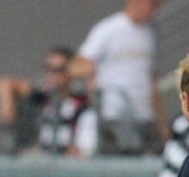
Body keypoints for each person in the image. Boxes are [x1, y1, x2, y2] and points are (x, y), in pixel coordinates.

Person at [71, 0, 169, 154]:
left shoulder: (151, 32)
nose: (156, 9)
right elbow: (78, 65)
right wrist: (92, 75)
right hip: (113, 115)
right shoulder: (108, 29)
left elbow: (152, 80)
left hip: (144, 116)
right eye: (152, 3)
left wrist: (162, 122)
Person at [0, 46, 95, 156]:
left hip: (69, 157)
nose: (52, 75)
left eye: (59, 70)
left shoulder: (81, 101)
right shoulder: (45, 94)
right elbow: (5, 83)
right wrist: (7, 106)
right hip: (45, 154)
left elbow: (94, 82)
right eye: (49, 69)